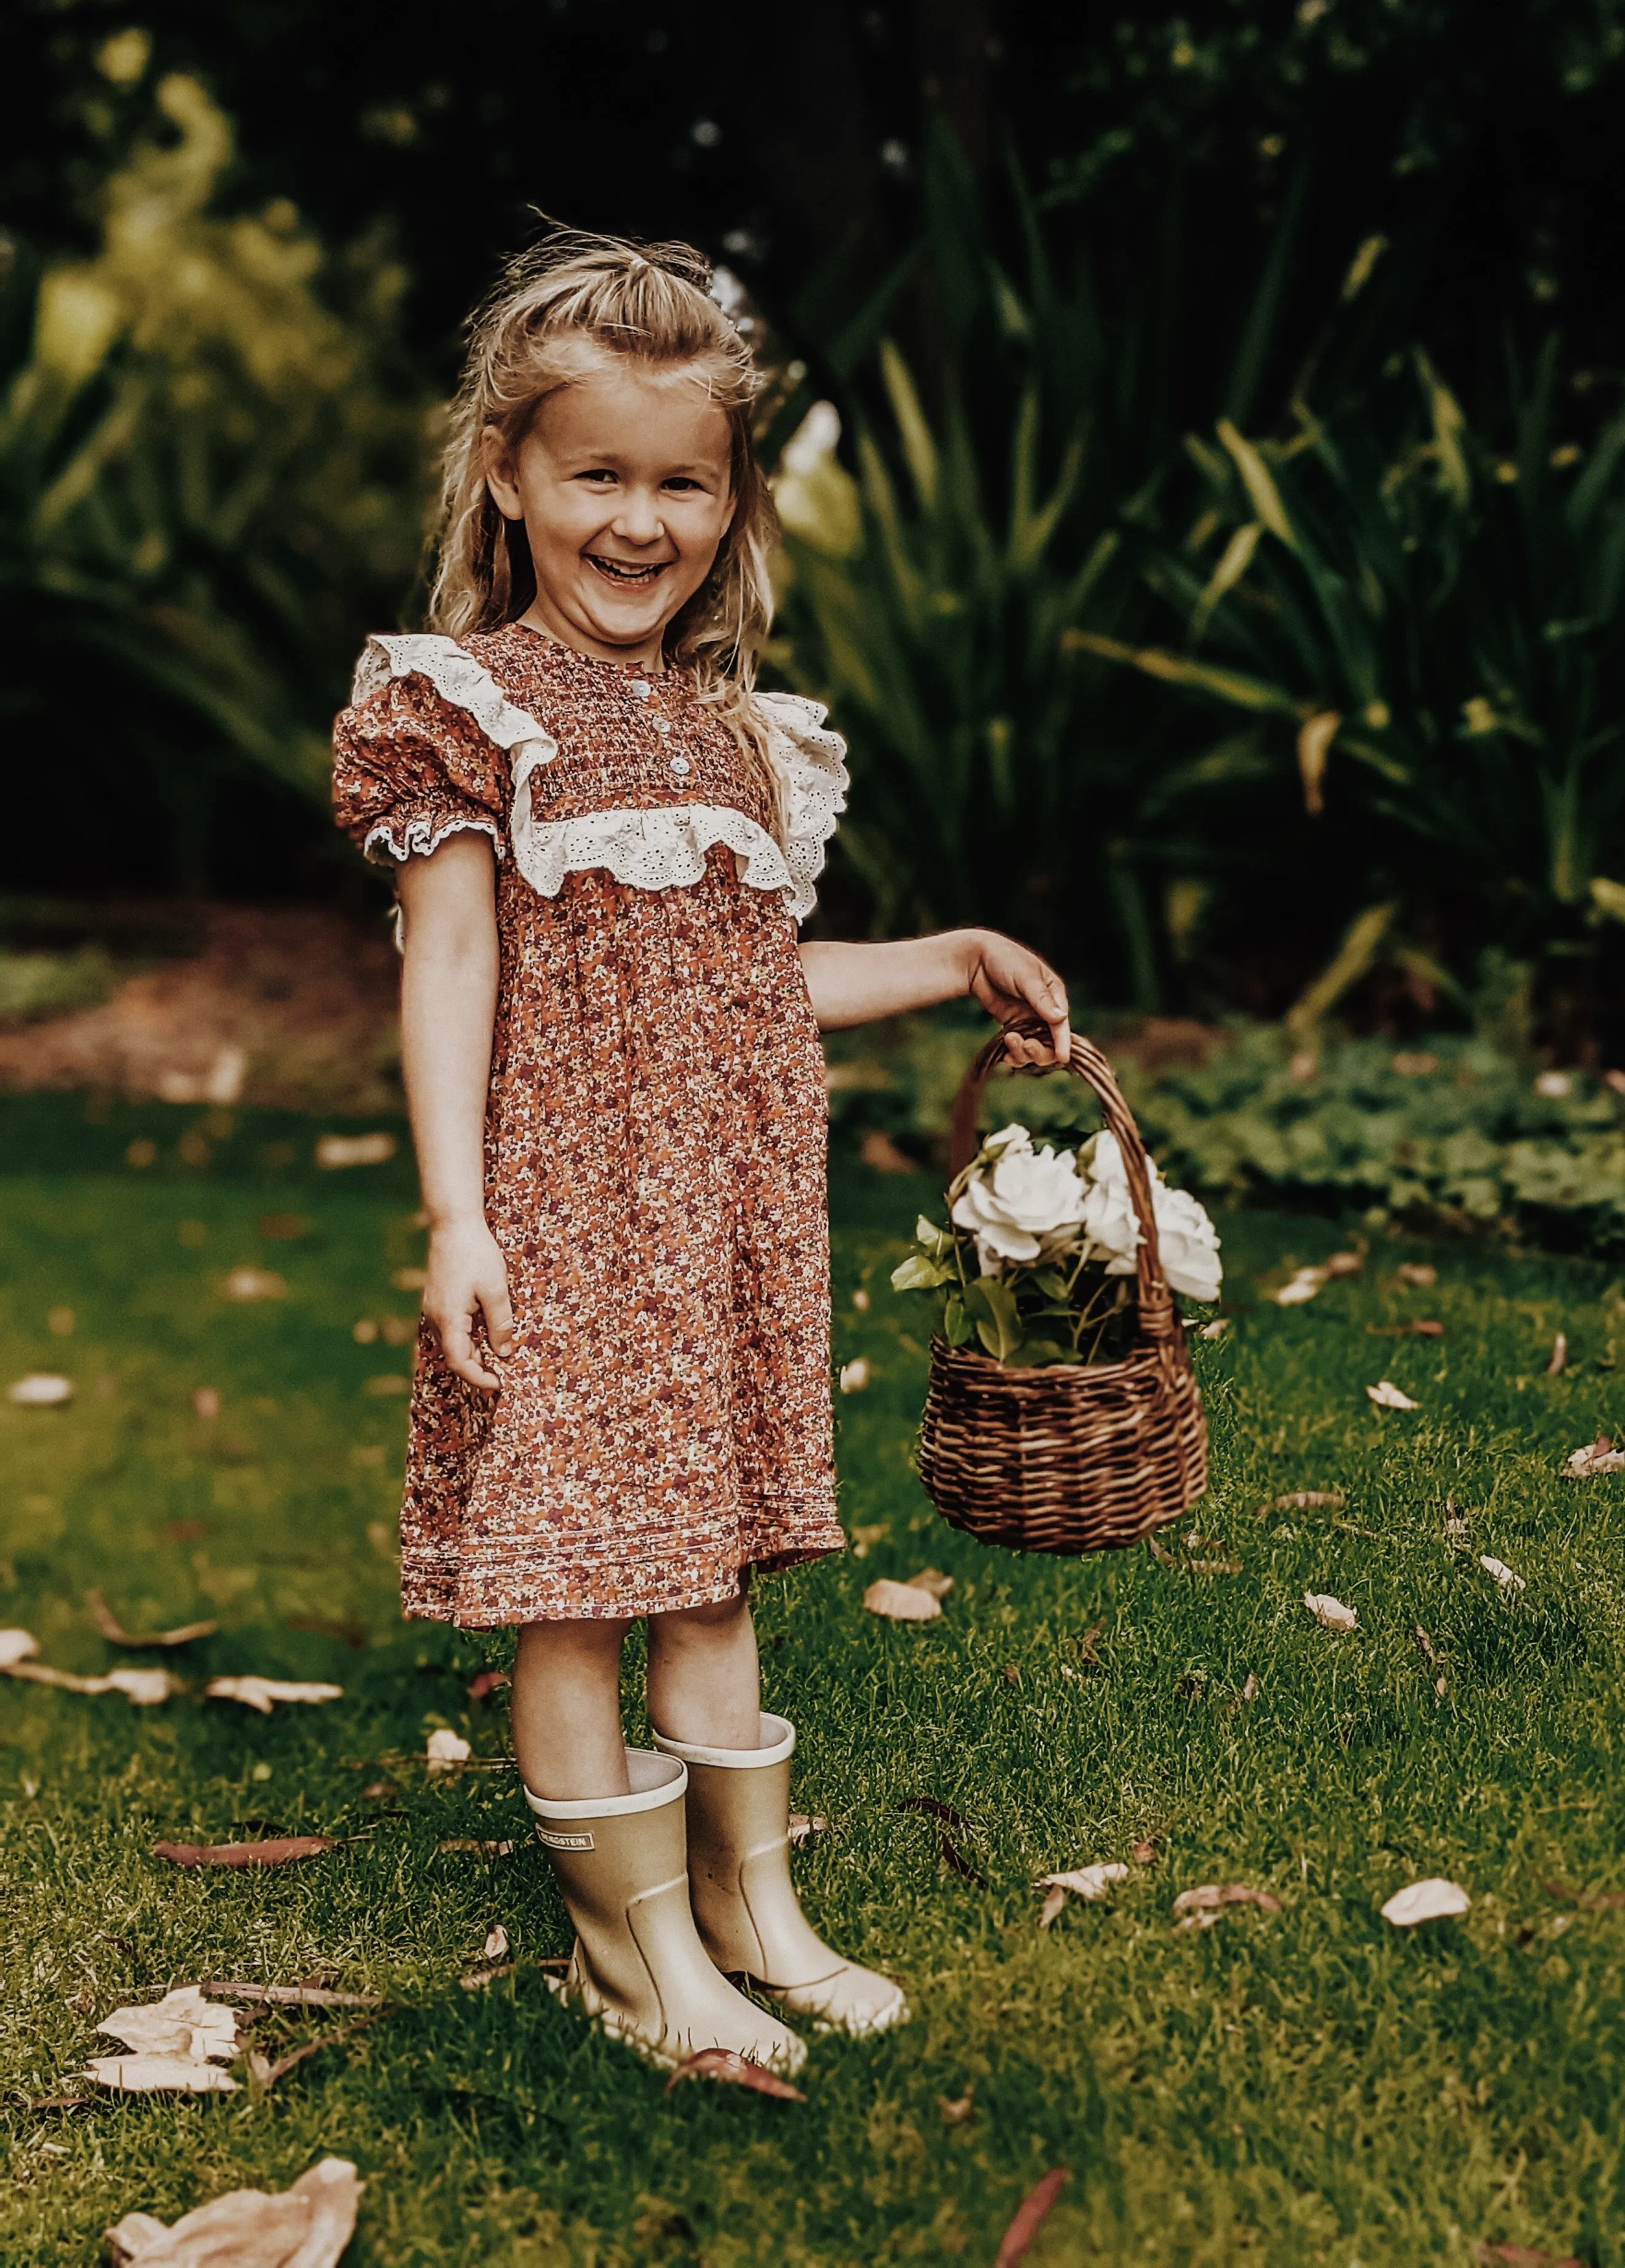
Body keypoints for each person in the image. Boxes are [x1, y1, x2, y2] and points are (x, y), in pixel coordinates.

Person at [330, 228, 1070, 2077]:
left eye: (682, 480)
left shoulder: (740, 735)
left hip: (721, 1226)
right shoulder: (467, 706)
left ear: (730, 498)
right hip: (567, 1218)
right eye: (598, 474)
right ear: (511, 476)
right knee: (572, 1589)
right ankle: (635, 1955)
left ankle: (756, 1914)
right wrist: (456, 1215)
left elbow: (754, 979)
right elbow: (450, 962)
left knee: (710, 1570)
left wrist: (958, 957)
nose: (639, 520)